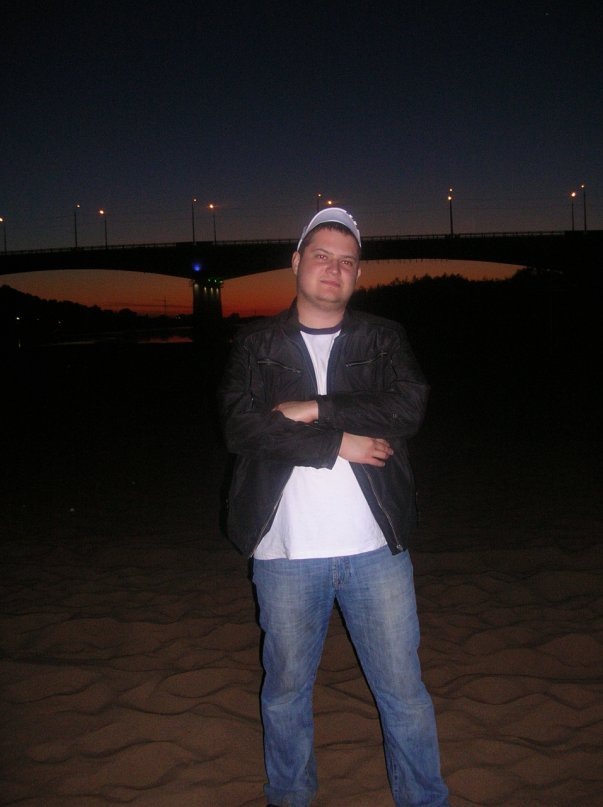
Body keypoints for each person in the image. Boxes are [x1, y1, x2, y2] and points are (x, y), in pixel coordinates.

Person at [218, 208, 449, 807]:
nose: (334, 269)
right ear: (297, 262)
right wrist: (338, 442)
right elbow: (243, 428)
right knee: (286, 693)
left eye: (347, 261)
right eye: (321, 255)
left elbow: (406, 409)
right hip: (286, 553)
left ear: (358, 274)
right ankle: (289, 796)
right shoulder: (257, 343)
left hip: (376, 550)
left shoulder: (383, 338)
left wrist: (315, 408)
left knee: (404, 694)